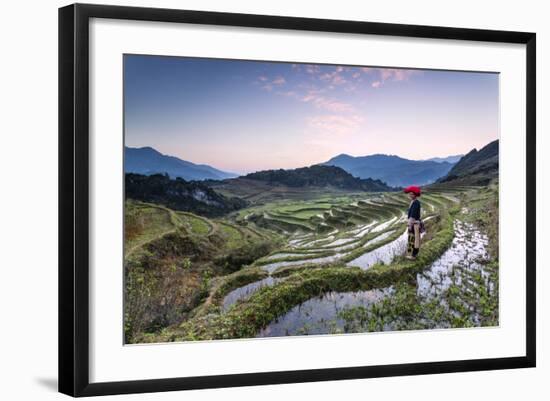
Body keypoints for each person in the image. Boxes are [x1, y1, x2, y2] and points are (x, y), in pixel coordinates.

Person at [404, 185, 422, 260]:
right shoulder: (414, 202)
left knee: (414, 239)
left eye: (412, 194)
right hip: (414, 224)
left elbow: (413, 216)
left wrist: (409, 225)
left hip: (414, 224)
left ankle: (413, 255)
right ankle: (411, 254)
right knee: (413, 238)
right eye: (410, 194)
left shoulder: (415, 203)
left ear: (415, 195)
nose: (410, 195)